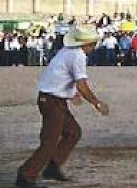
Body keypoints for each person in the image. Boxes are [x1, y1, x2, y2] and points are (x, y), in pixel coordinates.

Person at [15, 26, 110, 188]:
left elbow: (60, 75)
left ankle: (52, 166)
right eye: (93, 44)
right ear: (87, 44)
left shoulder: (67, 51)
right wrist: (97, 103)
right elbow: (81, 83)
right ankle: (26, 175)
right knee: (49, 141)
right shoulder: (78, 56)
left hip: (53, 99)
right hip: (53, 101)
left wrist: (71, 93)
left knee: (72, 132)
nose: (94, 47)